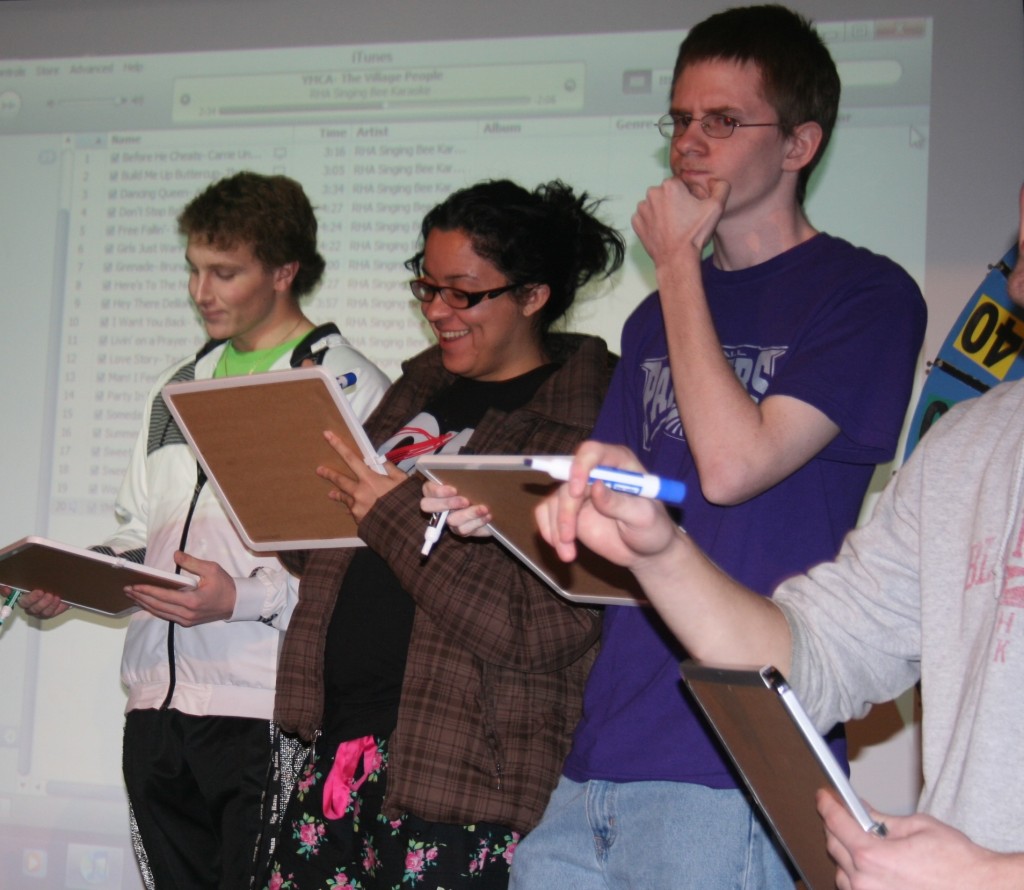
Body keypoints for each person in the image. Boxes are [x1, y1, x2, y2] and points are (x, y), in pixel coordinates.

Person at [497, 6, 928, 889]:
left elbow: (732, 471)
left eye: (724, 121)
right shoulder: (654, 317)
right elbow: (628, 510)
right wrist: (508, 504)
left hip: (734, 764)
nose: (690, 144)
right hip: (606, 743)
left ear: (800, 143)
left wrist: (681, 265)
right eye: (682, 120)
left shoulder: (867, 295)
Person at [533, 184, 1024, 890]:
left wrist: (993, 877)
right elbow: (812, 659)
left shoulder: (864, 295)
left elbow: (733, 468)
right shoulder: (969, 448)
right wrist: (662, 554)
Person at [20, 171, 390, 889]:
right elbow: (141, 530)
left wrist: (243, 598)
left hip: (263, 708)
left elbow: (361, 567)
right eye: (194, 270)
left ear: (285, 271)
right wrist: (75, 574)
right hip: (156, 709)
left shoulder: (345, 384)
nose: (202, 292)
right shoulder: (177, 385)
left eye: (225, 272)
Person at [264, 178, 624, 889]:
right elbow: (351, 544)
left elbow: (542, 625)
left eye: (462, 293)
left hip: (464, 782)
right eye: (426, 286)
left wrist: (386, 511)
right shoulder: (415, 392)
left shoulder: (587, 421)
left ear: (532, 295)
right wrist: (283, 501)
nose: (436, 310)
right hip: (343, 752)